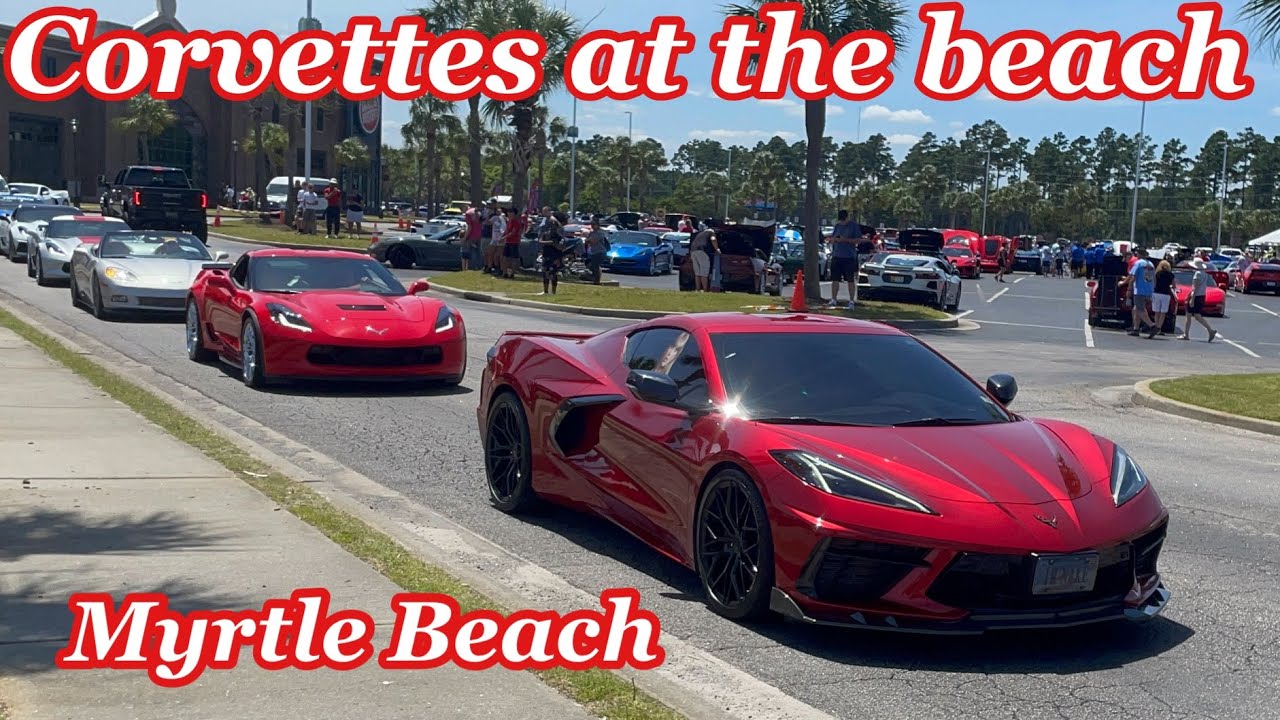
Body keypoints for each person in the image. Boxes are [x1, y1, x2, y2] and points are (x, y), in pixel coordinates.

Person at [827, 209, 861, 309]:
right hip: (837, 256)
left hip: (849, 257)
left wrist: (845, 240)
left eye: (843, 220)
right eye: (841, 220)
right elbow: (833, 238)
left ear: (847, 217)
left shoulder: (853, 226)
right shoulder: (837, 226)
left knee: (850, 280)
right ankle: (833, 299)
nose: (842, 222)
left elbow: (858, 240)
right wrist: (833, 240)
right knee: (835, 279)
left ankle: (851, 300)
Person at [1178, 259, 1218, 342]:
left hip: (1196, 296)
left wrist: (1191, 298)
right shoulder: (1205, 274)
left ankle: (1186, 334)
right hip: (1202, 296)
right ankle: (1210, 330)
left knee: (1189, 315)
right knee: (1197, 315)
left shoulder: (1197, 274)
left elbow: (1195, 288)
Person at [1127, 248, 1158, 337]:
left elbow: (1132, 277)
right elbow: (1154, 278)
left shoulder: (1138, 263)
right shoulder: (1151, 264)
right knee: (1137, 308)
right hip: (1149, 289)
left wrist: (1129, 289)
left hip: (1140, 289)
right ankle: (1136, 328)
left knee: (1140, 309)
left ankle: (1152, 325)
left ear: (1139, 254)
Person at [538, 208, 565, 295]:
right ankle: (545, 291)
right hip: (546, 251)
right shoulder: (546, 227)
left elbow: (556, 242)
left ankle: (553, 292)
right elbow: (542, 237)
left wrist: (544, 242)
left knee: (553, 272)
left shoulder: (555, 225)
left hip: (554, 252)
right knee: (545, 270)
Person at [1150, 259, 1176, 337]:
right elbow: (1174, 285)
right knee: (1163, 312)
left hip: (1156, 293)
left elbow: (1153, 284)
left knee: (1156, 312)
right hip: (1166, 294)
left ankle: (1156, 326)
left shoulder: (1157, 274)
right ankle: (1159, 328)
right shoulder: (1171, 275)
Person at [689, 224, 718, 291]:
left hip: (693, 252)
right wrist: (717, 249)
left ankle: (698, 289)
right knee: (704, 273)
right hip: (701, 251)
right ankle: (705, 290)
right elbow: (713, 239)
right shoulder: (711, 231)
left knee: (697, 273)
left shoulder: (700, 233)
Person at [583, 217, 610, 285]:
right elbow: (587, 241)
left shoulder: (600, 233)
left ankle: (596, 280)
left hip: (600, 252)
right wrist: (588, 240)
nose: (592, 225)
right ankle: (594, 277)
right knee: (590, 265)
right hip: (593, 252)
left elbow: (593, 242)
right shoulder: (591, 233)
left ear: (597, 225)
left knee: (595, 265)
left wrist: (588, 240)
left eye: (594, 224)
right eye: (591, 224)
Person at [500, 207, 524, 278]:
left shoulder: (516, 222)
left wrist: (504, 237)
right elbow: (507, 231)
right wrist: (502, 236)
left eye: (511, 212)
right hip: (508, 242)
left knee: (513, 258)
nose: (509, 214)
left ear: (514, 214)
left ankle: (512, 273)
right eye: (508, 212)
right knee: (505, 257)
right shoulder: (509, 221)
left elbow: (513, 232)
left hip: (514, 242)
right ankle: (505, 272)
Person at [461, 206, 482, 271]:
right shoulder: (477, 212)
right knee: (478, 252)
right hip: (479, 235)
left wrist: (465, 238)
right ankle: (478, 267)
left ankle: (472, 268)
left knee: (472, 252)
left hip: (472, 236)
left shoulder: (468, 214)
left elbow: (469, 227)